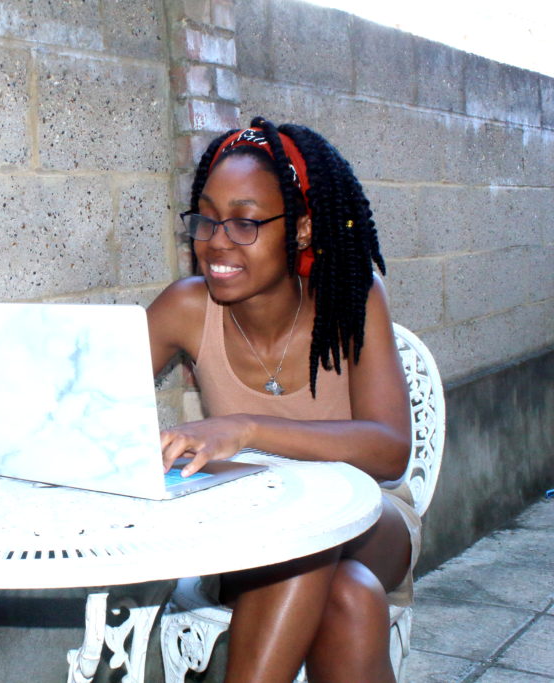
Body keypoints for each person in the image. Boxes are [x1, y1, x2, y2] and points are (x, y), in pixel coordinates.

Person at [147, 116, 418, 682]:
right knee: (350, 597)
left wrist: (245, 428)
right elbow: (93, 406)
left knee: (310, 537)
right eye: (206, 219)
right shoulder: (185, 307)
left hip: (371, 517)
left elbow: (390, 450)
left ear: (298, 229)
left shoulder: (352, 298)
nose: (217, 241)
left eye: (245, 223)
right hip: (249, 531)